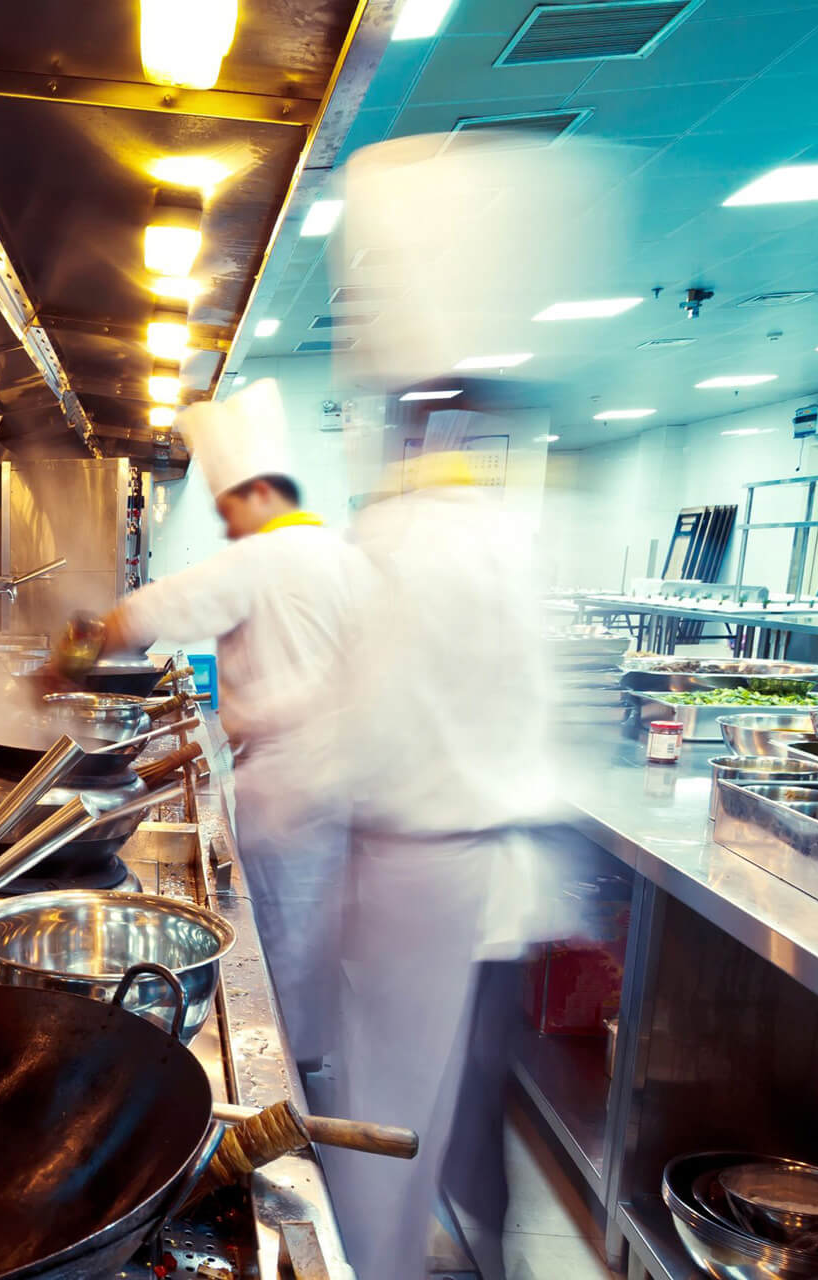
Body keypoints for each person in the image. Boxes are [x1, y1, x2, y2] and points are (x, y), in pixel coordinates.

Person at [324, 408, 560, 1279]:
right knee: (472, 1096)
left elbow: (364, 725)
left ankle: (378, 1265)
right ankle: (483, 1260)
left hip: (416, 867)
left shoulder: (395, 538)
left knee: (390, 1113)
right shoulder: (507, 539)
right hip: (497, 867)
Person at [98, 377, 368, 1078]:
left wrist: (64, 661)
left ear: (254, 493)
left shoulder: (265, 558)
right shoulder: (338, 556)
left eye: (225, 510)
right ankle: (306, 1069)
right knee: (310, 947)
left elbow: (138, 616)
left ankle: (287, 1092)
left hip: (288, 789)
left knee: (280, 942)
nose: (226, 527)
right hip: (335, 789)